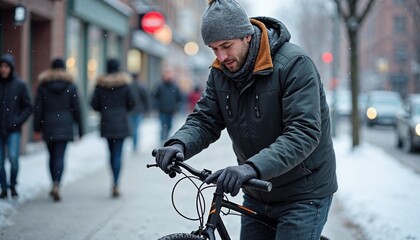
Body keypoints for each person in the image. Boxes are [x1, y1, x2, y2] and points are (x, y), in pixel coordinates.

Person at [153, 1, 338, 239]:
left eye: (226, 46)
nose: (221, 56)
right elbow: (205, 119)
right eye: (213, 49)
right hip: (257, 190)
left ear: (247, 36)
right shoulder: (220, 72)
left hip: (303, 193)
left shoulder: (294, 64)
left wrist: (251, 168)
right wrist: (179, 144)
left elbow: (302, 133)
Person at [33, 58, 84, 202]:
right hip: (65, 125)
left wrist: (37, 128)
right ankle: (57, 184)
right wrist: (80, 129)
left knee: (51, 156)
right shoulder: (71, 86)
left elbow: (38, 109)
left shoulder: (43, 86)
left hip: (48, 125)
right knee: (60, 156)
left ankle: (53, 182)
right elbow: (77, 109)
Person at [90, 58, 137, 198]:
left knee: (111, 153)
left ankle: (114, 180)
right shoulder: (125, 85)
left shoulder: (101, 85)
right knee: (118, 153)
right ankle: (116, 182)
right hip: (121, 122)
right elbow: (132, 103)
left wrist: (105, 110)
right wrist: (122, 110)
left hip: (107, 123)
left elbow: (93, 104)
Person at [0, 53, 33, 199]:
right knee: (0, 162)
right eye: (1, 66)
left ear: (11, 68)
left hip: (13, 129)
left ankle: (13, 185)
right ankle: (4, 188)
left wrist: (17, 121)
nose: (3, 69)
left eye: (6, 66)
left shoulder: (19, 85)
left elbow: (28, 107)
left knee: (13, 159)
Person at [152, 68, 182, 145]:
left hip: (171, 111)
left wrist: (176, 109)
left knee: (169, 126)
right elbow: (154, 97)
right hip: (162, 110)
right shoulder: (159, 86)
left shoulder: (175, 87)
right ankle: (163, 141)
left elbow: (179, 99)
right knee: (163, 126)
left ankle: (166, 139)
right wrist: (156, 107)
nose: (168, 76)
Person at [129, 73, 150, 152]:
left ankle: (134, 143)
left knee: (133, 127)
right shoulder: (141, 86)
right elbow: (146, 99)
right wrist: (147, 110)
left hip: (131, 110)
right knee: (136, 128)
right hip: (138, 110)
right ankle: (135, 144)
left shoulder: (129, 86)